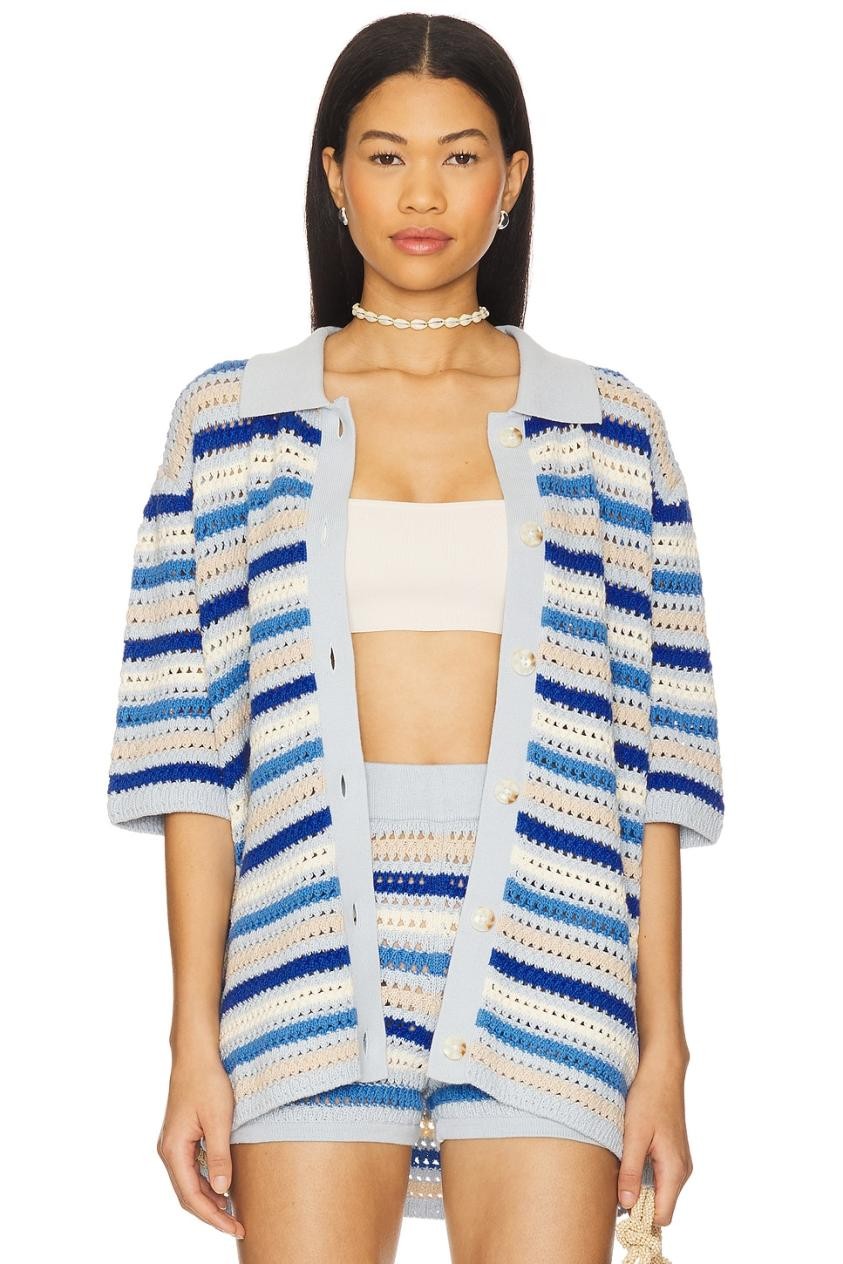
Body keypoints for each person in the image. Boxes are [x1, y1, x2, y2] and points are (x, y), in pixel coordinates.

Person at [106, 14, 725, 1264]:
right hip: (302, 960)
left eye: (461, 155)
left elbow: (658, 764)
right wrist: (191, 1041)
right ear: (335, 176)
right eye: (387, 157)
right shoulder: (230, 423)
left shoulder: (613, 430)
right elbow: (191, 760)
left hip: (555, 950)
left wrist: (666, 1050)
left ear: (514, 177)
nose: (424, 195)